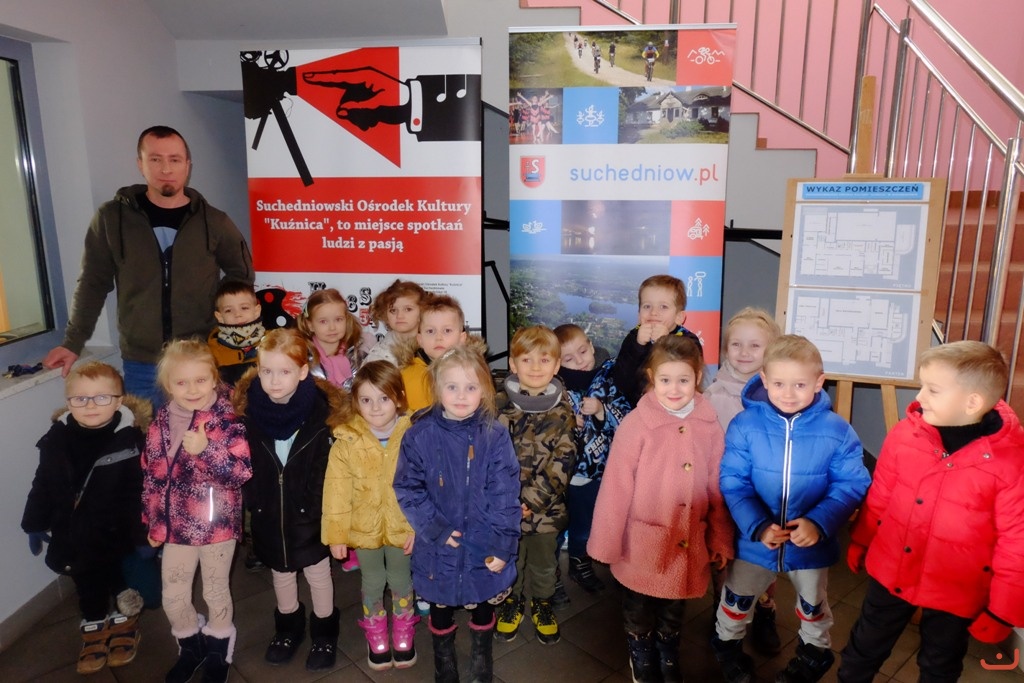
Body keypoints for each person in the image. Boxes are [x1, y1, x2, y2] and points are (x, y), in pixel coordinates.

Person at [839, 341, 1024, 683]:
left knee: (940, 664)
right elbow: (881, 495)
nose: (919, 397)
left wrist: (1003, 610)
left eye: (933, 390)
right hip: (892, 567)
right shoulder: (905, 434)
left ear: (972, 402)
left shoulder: (1012, 461)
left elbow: (1017, 543)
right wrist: (862, 539)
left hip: (956, 588)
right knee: (863, 648)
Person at [43, 126, 255, 406]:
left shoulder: (214, 221)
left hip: (200, 359)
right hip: (142, 364)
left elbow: (241, 275)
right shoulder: (112, 218)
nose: (166, 169)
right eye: (155, 159)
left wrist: (216, 317)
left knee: (203, 433)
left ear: (187, 165)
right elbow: (93, 283)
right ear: (140, 164)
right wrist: (72, 342)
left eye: (175, 160)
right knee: (147, 433)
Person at [712, 335, 870, 683]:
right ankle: (727, 648)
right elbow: (733, 481)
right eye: (779, 383)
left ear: (818, 382)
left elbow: (851, 483)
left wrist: (819, 521)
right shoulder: (744, 425)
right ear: (764, 380)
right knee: (737, 600)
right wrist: (757, 525)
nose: (788, 393)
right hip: (755, 541)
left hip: (810, 545)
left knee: (814, 605)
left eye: (799, 384)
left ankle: (814, 655)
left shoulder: (837, 430)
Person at [588, 335, 733, 683]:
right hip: (644, 540)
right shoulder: (637, 424)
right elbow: (616, 488)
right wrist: (607, 543)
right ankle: (641, 652)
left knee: (675, 604)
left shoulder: (709, 424)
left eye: (684, 379)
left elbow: (717, 487)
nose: (674, 389)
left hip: (688, 539)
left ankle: (668, 650)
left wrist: (720, 538)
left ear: (697, 377)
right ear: (652, 377)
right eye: (665, 380)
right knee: (638, 605)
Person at [393, 346, 522, 683]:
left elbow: (505, 494)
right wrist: (435, 528)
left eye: (471, 387)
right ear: (437, 388)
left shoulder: (494, 434)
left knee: (484, 599)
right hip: (438, 543)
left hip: (484, 540)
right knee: (439, 603)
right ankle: (444, 658)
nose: (461, 396)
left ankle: (481, 655)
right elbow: (408, 487)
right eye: (452, 387)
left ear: (484, 390)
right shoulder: (419, 434)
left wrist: (503, 544)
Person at [21, 362, 151, 675]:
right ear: (68, 403)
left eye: (101, 397)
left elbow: (140, 493)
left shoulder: (130, 440)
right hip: (74, 531)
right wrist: (33, 523)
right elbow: (43, 483)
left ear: (119, 401)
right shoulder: (56, 439)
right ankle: (93, 624)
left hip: (116, 530)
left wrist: (142, 535)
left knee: (121, 580)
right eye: (80, 399)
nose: (90, 405)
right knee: (86, 582)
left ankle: (124, 623)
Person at [233, 329, 346, 671]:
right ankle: (288, 626)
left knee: (318, 573)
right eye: (266, 371)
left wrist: (312, 508)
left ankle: (324, 631)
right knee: (280, 573)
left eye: (284, 371)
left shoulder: (322, 414)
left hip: (309, 513)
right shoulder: (248, 413)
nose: (274, 380)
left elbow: (326, 469)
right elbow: (244, 463)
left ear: (302, 371)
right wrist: (255, 502)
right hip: (268, 512)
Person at [141, 340, 252, 683]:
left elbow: (241, 472)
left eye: (201, 380)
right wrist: (153, 521)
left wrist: (206, 450)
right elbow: (152, 475)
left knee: (215, 591)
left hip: (216, 525)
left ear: (214, 378)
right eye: (181, 382)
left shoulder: (227, 419)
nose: (192, 390)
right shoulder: (160, 422)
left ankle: (219, 647)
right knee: (173, 596)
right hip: (176, 527)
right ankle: (191, 645)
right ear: (168, 385)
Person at [322, 361, 418, 671]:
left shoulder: (414, 436)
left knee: (401, 579)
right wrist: (337, 535)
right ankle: (376, 631)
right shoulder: (347, 442)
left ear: (399, 398)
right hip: (364, 528)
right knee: (373, 580)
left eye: (384, 398)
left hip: (403, 526)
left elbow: (427, 485)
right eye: (366, 399)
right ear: (356, 402)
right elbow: (336, 491)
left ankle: (403, 628)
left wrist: (420, 526)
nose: (375, 407)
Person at [704, 307, 782, 654]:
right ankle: (722, 610)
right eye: (736, 344)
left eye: (755, 345)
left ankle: (765, 608)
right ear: (725, 348)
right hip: (723, 492)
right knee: (723, 552)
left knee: (762, 555)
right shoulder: (713, 394)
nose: (744, 352)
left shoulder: (779, 395)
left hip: (763, 495)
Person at [494, 326, 575, 646]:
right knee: (509, 559)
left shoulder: (563, 410)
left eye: (544, 360)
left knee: (544, 564)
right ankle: (511, 601)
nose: (536, 367)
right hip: (505, 509)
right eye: (527, 360)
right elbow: (490, 456)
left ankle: (542, 602)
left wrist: (529, 501)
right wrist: (508, 502)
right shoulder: (498, 405)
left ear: (556, 365)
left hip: (546, 511)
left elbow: (563, 462)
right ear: (513, 364)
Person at [554, 323, 632, 597]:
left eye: (583, 351)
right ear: (557, 362)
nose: (580, 361)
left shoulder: (610, 376)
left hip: (609, 468)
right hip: (574, 473)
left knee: (607, 519)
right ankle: (574, 562)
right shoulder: (556, 388)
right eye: (569, 358)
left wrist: (601, 411)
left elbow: (627, 418)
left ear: (590, 344)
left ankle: (605, 558)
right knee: (577, 522)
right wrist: (567, 422)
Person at [613, 274, 701, 408]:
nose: (653, 312)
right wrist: (638, 346)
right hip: (638, 409)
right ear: (639, 314)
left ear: (679, 317)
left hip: (677, 409)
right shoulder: (634, 337)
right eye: (647, 306)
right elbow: (621, 382)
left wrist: (666, 342)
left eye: (663, 307)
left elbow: (689, 379)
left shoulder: (689, 341)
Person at [396, 294, 469, 412]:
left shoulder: (473, 373)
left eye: (447, 330)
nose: (438, 337)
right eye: (430, 331)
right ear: (420, 340)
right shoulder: (408, 376)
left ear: (462, 338)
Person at [298, 288, 365, 394]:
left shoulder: (357, 355)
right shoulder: (302, 358)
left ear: (346, 320)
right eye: (323, 321)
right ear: (310, 325)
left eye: (338, 319)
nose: (332, 327)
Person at [207, 280, 265, 386]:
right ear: (220, 317)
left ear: (257, 311)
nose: (238, 314)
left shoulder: (273, 343)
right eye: (229, 310)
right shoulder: (211, 353)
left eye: (244, 308)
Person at [365, 279, 427, 366]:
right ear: (385, 314)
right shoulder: (378, 356)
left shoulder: (434, 345)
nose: (399, 316)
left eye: (408, 309)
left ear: (422, 310)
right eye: (393, 310)